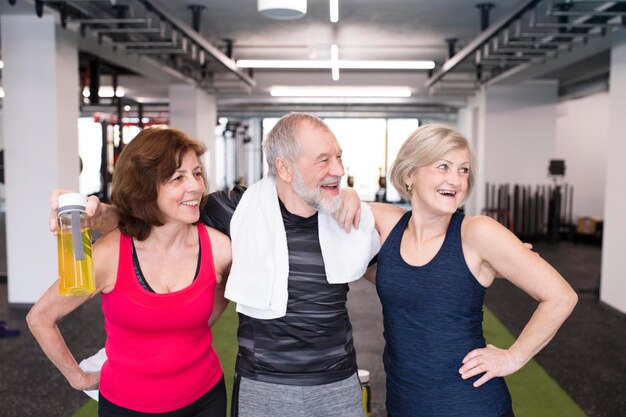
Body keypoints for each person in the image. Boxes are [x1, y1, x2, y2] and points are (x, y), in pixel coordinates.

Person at [49, 113, 379, 417]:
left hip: (337, 380)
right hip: (263, 383)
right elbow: (154, 216)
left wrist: (349, 197)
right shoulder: (236, 211)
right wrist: (99, 215)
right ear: (285, 168)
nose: (338, 169)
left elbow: (389, 259)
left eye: (339, 158)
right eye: (324, 160)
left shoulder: (345, 215)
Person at [366, 124, 578, 417]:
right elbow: (387, 272)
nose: (456, 180)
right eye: (443, 166)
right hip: (403, 402)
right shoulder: (387, 224)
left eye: (463, 170)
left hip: (470, 404)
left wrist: (513, 357)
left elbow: (561, 297)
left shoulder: (478, 232)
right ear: (409, 174)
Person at [30, 128, 232, 417]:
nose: (196, 187)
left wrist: (191, 332)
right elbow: (40, 318)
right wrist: (79, 378)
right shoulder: (110, 255)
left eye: (197, 173)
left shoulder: (220, 248)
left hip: (204, 399)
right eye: (178, 177)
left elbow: (223, 289)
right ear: (145, 188)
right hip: (126, 406)